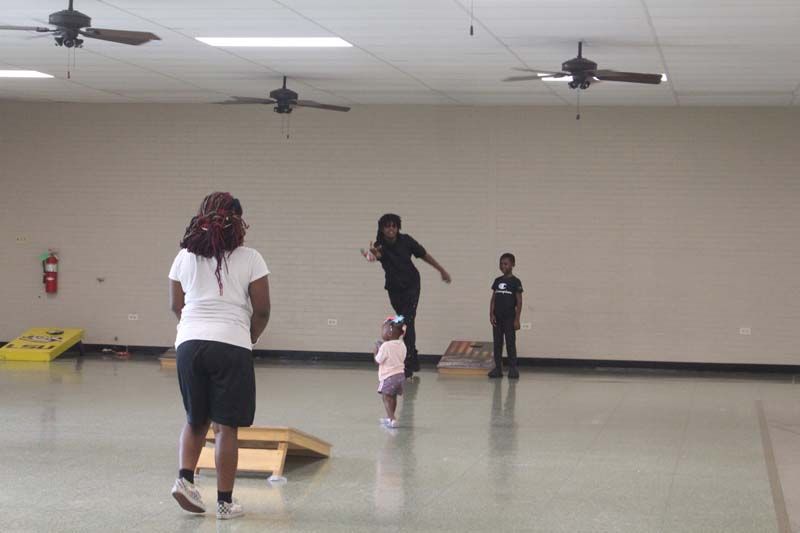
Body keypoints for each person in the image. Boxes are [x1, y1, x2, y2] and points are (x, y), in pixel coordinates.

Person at [168, 192, 270, 520]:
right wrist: (249, 336)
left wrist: (192, 332)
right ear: (237, 221)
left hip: (189, 343)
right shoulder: (251, 257)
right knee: (226, 427)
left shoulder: (184, 256)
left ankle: (185, 481)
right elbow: (263, 310)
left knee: (195, 419)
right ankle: (225, 503)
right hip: (231, 343)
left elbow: (175, 305)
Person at [367, 214, 451, 377]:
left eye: (394, 226)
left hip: (412, 285)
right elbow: (374, 256)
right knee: (406, 323)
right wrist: (372, 255)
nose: (391, 229)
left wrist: (441, 270)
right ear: (382, 229)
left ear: (398, 228)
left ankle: (407, 359)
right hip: (394, 288)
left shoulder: (406, 241)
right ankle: (412, 358)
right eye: (387, 226)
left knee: (406, 319)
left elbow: (424, 255)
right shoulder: (379, 245)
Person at [488, 253, 523, 379]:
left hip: (509, 318)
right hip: (497, 318)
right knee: (497, 343)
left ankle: (513, 369)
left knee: (510, 343)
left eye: (506, 263)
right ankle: (498, 368)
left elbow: (519, 302)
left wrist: (517, 319)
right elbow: (493, 299)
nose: (503, 266)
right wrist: (491, 314)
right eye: (501, 263)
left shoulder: (516, 282)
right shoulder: (497, 281)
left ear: (512, 265)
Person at [374, 315, 407, 428]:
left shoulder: (385, 346)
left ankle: (392, 419)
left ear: (389, 332)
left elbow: (378, 360)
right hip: (400, 375)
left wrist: (376, 350)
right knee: (393, 397)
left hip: (388, 376)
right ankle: (390, 418)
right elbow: (402, 358)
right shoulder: (402, 344)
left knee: (386, 397)